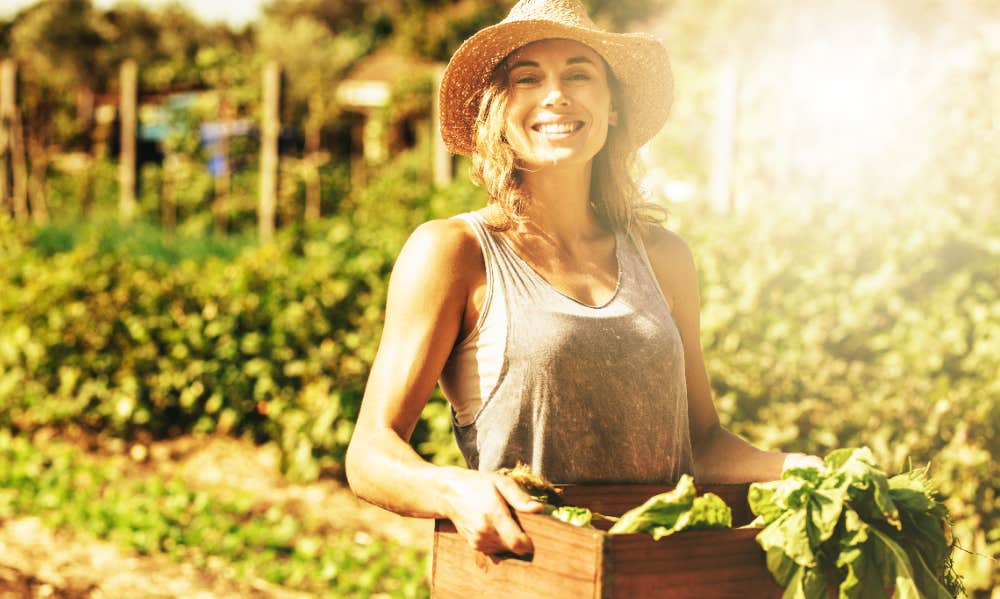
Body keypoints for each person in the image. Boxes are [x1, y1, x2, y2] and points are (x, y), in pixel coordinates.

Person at [345, 0, 821, 557]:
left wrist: (804, 469)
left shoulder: (664, 257)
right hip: (532, 570)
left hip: (659, 574)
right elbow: (370, 454)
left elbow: (703, 443)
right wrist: (454, 489)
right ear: (498, 112)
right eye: (528, 78)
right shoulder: (454, 252)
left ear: (612, 107)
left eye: (579, 75)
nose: (556, 94)